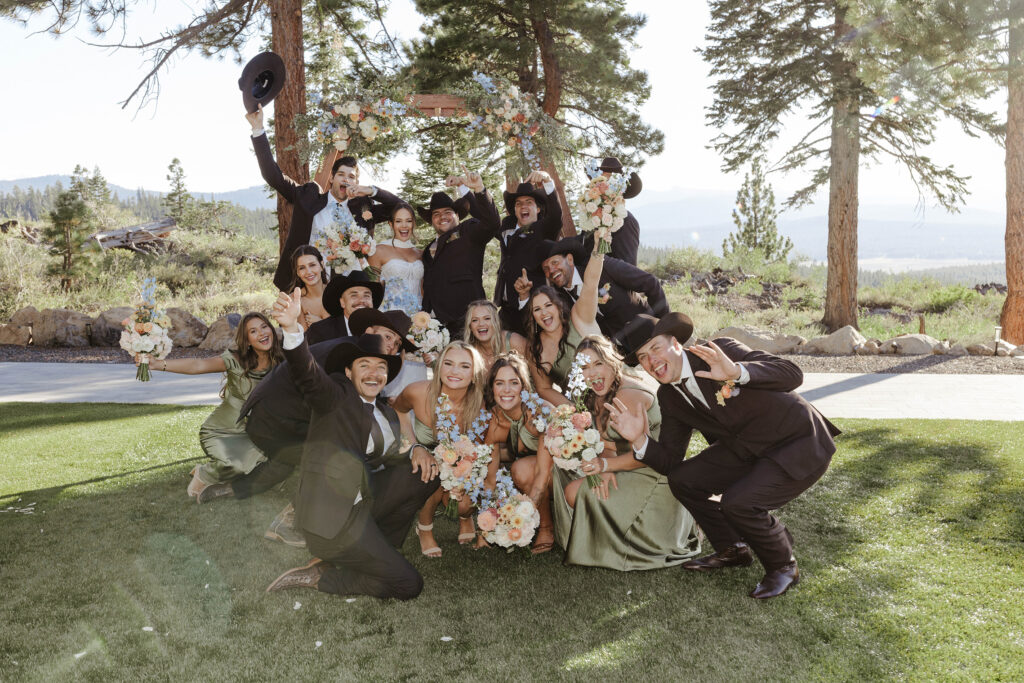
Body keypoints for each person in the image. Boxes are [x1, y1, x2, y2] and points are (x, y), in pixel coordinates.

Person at [607, 312, 840, 599]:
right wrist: (640, 439)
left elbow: (793, 374)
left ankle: (783, 566)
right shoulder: (669, 396)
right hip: (745, 449)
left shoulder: (720, 351)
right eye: (643, 357)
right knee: (683, 479)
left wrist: (737, 372)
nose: (651, 361)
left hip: (796, 441)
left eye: (655, 348)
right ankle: (733, 549)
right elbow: (670, 461)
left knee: (738, 503)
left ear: (676, 344)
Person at [263, 289, 440, 599]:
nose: (374, 373)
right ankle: (321, 578)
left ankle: (379, 547)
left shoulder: (385, 411)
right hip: (332, 522)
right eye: (365, 366)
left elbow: (393, 450)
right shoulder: (335, 396)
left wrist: (416, 448)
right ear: (347, 372)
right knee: (409, 585)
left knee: (425, 473)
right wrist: (291, 330)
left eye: (382, 367)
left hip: (362, 506)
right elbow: (307, 374)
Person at [201, 308, 419, 530]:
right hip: (273, 419)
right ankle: (289, 523)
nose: (392, 345)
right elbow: (340, 405)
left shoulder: (358, 352)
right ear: (369, 331)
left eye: (398, 343)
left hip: (272, 418)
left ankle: (228, 489)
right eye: (388, 336)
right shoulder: (346, 356)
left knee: (284, 463)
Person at [540, 335, 700, 570]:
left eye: (598, 363)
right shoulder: (591, 394)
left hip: (654, 475)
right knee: (561, 473)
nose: (592, 373)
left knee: (575, 492)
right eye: (584, 367)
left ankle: (625, 543)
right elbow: (607, 444)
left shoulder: (629, 395)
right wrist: (602, 461)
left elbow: (646, 456)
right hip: (623, 462)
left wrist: (605, 467)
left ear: (613, 361)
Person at [246, 104, 401, 290]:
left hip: (351, 285)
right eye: (341, 175)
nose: (346, 180)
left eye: (351, 177)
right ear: (332, 178)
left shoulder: (363, 208)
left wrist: (371, 190)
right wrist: (257, 129)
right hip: (306, 282)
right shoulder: (308, 197)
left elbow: (399, 208)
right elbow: (273, 175)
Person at [137, 312, 283, 500]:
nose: (262, 333)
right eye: (253, 331)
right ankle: (205, 473)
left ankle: (228, 469)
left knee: (268, 459)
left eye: (264, 327)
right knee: (236, 465)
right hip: (222, 431)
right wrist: (158, 364)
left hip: (255, 433)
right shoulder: (235, 360)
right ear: (247, 341)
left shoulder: (282, 361)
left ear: (271, 329)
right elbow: (198, 365)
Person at [391, 341, 489, 557]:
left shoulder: (479, 403)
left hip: (458, 461)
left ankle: (465, 517)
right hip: (423, 460)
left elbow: (479, 448)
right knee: (431, 471)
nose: (454, 371)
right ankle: (424, 528)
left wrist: (463, 474)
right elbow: (398, 411)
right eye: (448, 363)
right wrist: (414, 446)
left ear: (474, 374)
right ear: (439, 367)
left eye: (464, 366)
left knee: (464, 503)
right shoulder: (417, 392)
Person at [481, 353, 555, 553]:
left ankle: (547, 527)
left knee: (520, 470)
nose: (506, 390)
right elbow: (490, 479)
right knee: (518, 471)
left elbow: (541, 473)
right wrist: (487, 521)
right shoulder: (494, 420)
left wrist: (522, 518)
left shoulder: (539, 413)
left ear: (524, 387)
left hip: (561, 471)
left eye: (514, 383)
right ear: (492, 387)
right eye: (499, 383)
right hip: (530, 475)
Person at [518, 242, 604, 406]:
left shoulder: (578, 317)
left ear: (559, 307)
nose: (544, 313)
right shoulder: (536, 348)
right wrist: (573, 412)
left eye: (548, 305)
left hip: (615, 391)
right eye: (537, 309)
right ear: (533, 316)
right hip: (583, 409)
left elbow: (591, 282)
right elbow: (544, 389)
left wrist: (599, 245)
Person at [420, 170, 501, 336]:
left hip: (470, 322)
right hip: (437, 329)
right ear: (431, 221)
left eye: (447, 212)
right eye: (436, 214)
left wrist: (479, 189)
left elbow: (492, 223)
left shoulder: (468, 231)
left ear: (457, 215)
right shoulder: (427, 251)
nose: (442, 217)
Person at [541, 236, 668, 340]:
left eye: (555, 262)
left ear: (569, 259)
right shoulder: (559, 299)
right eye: (546, 269)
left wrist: (667, 326)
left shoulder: (604, 267)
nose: (551, 270)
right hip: (621, 359)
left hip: (652, 336)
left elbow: (650, 283)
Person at [493, 171, 562, 334]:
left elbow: (556, 217)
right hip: (506, 309)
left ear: (538, 209)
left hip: (534, 306)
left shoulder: (544, 228)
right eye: (518, 203)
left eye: (529, 202)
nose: (523, 206)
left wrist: (547, 181)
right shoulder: (506, 227)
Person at [580, 157, 642, 265]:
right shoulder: (592, 216)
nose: (603, 185)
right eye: (600, 180)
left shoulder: (627, 221)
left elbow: (627, 266)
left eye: (608, 180)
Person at [366, 202, 424, 315]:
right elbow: (371, 290)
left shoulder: (421, 254)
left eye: (408, 221)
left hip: (418, 319)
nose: (404, 225)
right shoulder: (378, 251)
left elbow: (422, 290)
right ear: (391, 224)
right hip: (389, 316)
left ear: (413, 224)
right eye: (398, 221)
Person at [305, 269, 384, 344]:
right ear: (342, 302)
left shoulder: (382, 332)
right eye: (354, 295)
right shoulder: (319, 331)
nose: (361, 301)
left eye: (366, 296)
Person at [462, 300, 527, 373]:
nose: (481, 324)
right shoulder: (469, 351)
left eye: (487, 318)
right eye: (474, 320)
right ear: (470, 326)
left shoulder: (513, 341)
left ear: (496, 321)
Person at [289, 245, 329, 330]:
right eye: (302, 268)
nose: (308, 272)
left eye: (312, 265)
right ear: (298, 273)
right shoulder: (295, 300)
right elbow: (303, 338)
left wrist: (321, 324)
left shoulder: (336, 291)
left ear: (321, 265)